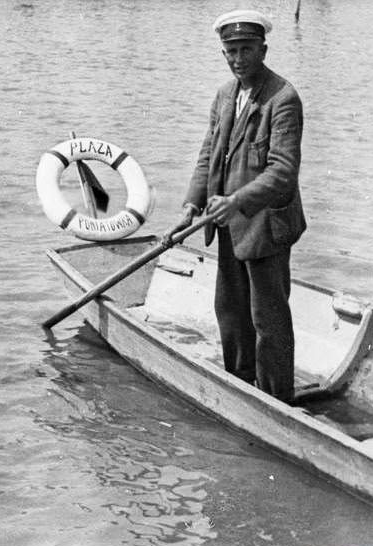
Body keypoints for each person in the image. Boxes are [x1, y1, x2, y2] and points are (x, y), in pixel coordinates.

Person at [162, 9, 306, 403]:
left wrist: (236, 202)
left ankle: (277, 401)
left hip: (265, 227)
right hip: (225, 223)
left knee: (268, 321)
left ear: (263, 50)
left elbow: (283, 172)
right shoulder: (225, 95)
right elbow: (207, 155)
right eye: (230, 51)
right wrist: (191, 206)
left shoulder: (283, 98)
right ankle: (241, 390)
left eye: (246, 49)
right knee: (230, 312)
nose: (238, 59)